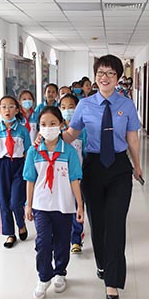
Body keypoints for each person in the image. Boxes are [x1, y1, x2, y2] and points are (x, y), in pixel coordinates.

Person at [63, 54, 142, 299]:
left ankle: (112, 281)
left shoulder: (126, 104)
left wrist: (137, 165)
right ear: (95, 77)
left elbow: (132, 139)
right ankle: (102, 263)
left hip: (119, 167)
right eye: (100, 73)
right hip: (94, 166)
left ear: (118, 78)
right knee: (97, 223)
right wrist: (49, 137)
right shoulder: (85, 105)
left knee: (116, 223)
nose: (104, 77)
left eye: (110, 73)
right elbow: (72, 134)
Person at [23, 106, 84, 299]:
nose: (48, 128)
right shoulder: (33, 152)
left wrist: (80, 206)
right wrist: (28, 205)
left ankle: (60, 272)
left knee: (62, 241)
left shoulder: (69, 152)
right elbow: (30, 180)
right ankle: (43, 277)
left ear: (61, 125)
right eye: (43, 124)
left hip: (64, 205)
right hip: (41, 205)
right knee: (42, 242)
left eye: (52, 123)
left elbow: (74, 179)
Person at [0, 96, 31, 248]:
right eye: (3, 107)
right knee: (4, 201)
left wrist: (30, 169)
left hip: (18, 165)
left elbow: (28, 151)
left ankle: (21, 224)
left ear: (17, 110)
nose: (7, 110)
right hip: (2, 166)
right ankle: (10, 233)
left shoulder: (22, 130)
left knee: (16, 201)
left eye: (11, 106)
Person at [59, 94, 87, 253]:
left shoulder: (83, 131)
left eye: (71, 107)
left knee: (78, 205)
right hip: (60, 176)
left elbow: (86, 153)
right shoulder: (56, 130)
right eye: (63, 107)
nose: (67, 110)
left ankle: (76, 239)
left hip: (78, 177)